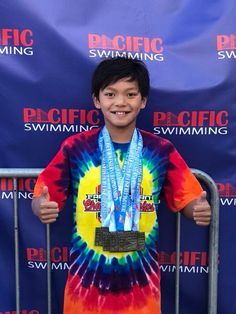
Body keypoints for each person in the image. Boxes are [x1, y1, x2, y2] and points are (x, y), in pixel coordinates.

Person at [32, 57, 211, 314]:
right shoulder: (76, 148)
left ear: (143, 101)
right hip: (86, 285)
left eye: (130, 94)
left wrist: (197, 208)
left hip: (141, 285)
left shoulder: (161, 150)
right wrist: (41, 206)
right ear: (97, 100)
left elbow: (187, 198)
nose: (120, 102)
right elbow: (44, 196)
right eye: (110, 94)